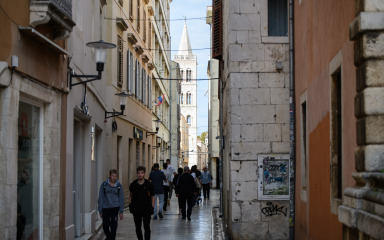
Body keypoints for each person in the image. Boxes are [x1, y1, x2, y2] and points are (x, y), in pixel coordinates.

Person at [129, 166, 155, 240]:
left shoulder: (148, 184)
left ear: (144, 174)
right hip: (136, 209)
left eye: (142, 173)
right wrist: (130, 205)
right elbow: (130, 195)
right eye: (139, 173)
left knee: (146, 226)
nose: (140, 174)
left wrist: (152, 207)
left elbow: (153, 196)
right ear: (137, 174)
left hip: (146, 209)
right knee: (138, 227)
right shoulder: (133, 184)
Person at [98, 169, 124, 240]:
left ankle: (111, 238)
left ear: (117, 177)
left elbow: (121, 198)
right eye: (112, 176)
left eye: (115, 176)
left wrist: (121, 211)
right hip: (105, 208)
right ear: (110, 176)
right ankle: (109, 238)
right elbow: (101, 197)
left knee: (114, 226)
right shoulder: (104, 185)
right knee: (105, 226)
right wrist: (100, 210)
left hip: (115, 208)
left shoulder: (119, 186)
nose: (114, 177)